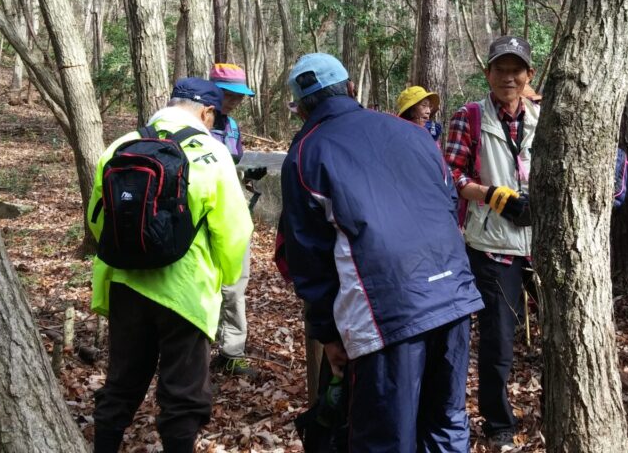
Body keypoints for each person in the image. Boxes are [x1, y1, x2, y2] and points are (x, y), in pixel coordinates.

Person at [280, 53, 484, 452]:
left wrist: (327, 334)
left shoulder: (305, 153)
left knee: (385, 437)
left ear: (301, 108)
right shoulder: (413, 133)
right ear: (352, 88)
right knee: (445, 422)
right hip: (454, 298)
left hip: (385, 313)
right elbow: (446, 204)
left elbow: (307, 257)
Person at [89, 78, 253, 453]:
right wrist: (224, 277)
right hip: (186, 290)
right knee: (183, 393)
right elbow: (235, 229)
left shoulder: (120, 144)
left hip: (125, 285)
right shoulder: (211, 153)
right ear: (207, 112)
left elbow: (98, 219)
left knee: (121, 385)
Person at [444, 35, 536, 449]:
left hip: (543, 244)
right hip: (492, 244)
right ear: (488, 73)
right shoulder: (471, 117)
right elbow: (450, 175)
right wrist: (496, 196)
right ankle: (498, 423)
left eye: (516, 70)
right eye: (500, 69)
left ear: (529, 75)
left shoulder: (543, 117)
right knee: (498, 340)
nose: (508, 78)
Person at [209, 63, 258, 376]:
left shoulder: (232, 126)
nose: (235, 101)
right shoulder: (194, 123)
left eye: (240, 96)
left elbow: (234, 161)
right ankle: (198, 348)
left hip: (232, 212)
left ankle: (231, 351)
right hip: (201, 212)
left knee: (236, 282)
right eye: (230, 94)